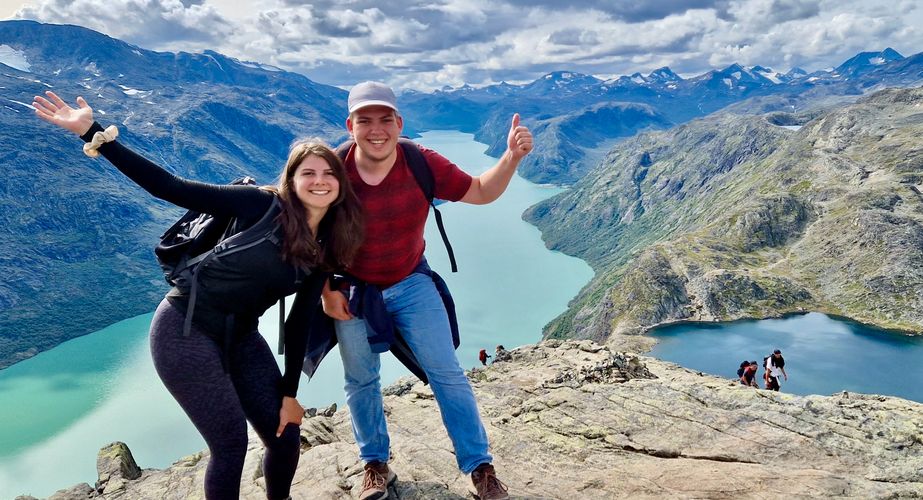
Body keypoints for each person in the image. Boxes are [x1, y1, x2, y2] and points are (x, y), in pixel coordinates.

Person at [32, 91, 364, 500]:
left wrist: (290, 394)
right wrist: (94, 131)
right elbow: (169, 186)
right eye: (308, 173)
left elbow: (298, 322)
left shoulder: (323, 244)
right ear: (292, 181)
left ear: (339, 184)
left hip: (240, 337)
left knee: (285, 433)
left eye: (328, 174)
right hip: (183, 331)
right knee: (230, 446)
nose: (319, 181)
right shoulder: (259, 205)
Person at [320, 81, 532, 500]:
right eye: (365, 120)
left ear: (399, 123)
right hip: (355, 291)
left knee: (447, 375)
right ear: (350, 125)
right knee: (361, 380)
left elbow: (481, 191)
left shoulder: (421, 162)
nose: (376, 129)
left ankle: (481, 469)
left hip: (411, 281)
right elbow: (308, 229)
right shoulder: (333, 168)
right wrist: (327, 289)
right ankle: (375, 465)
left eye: (385, 119)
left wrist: (512, 156)